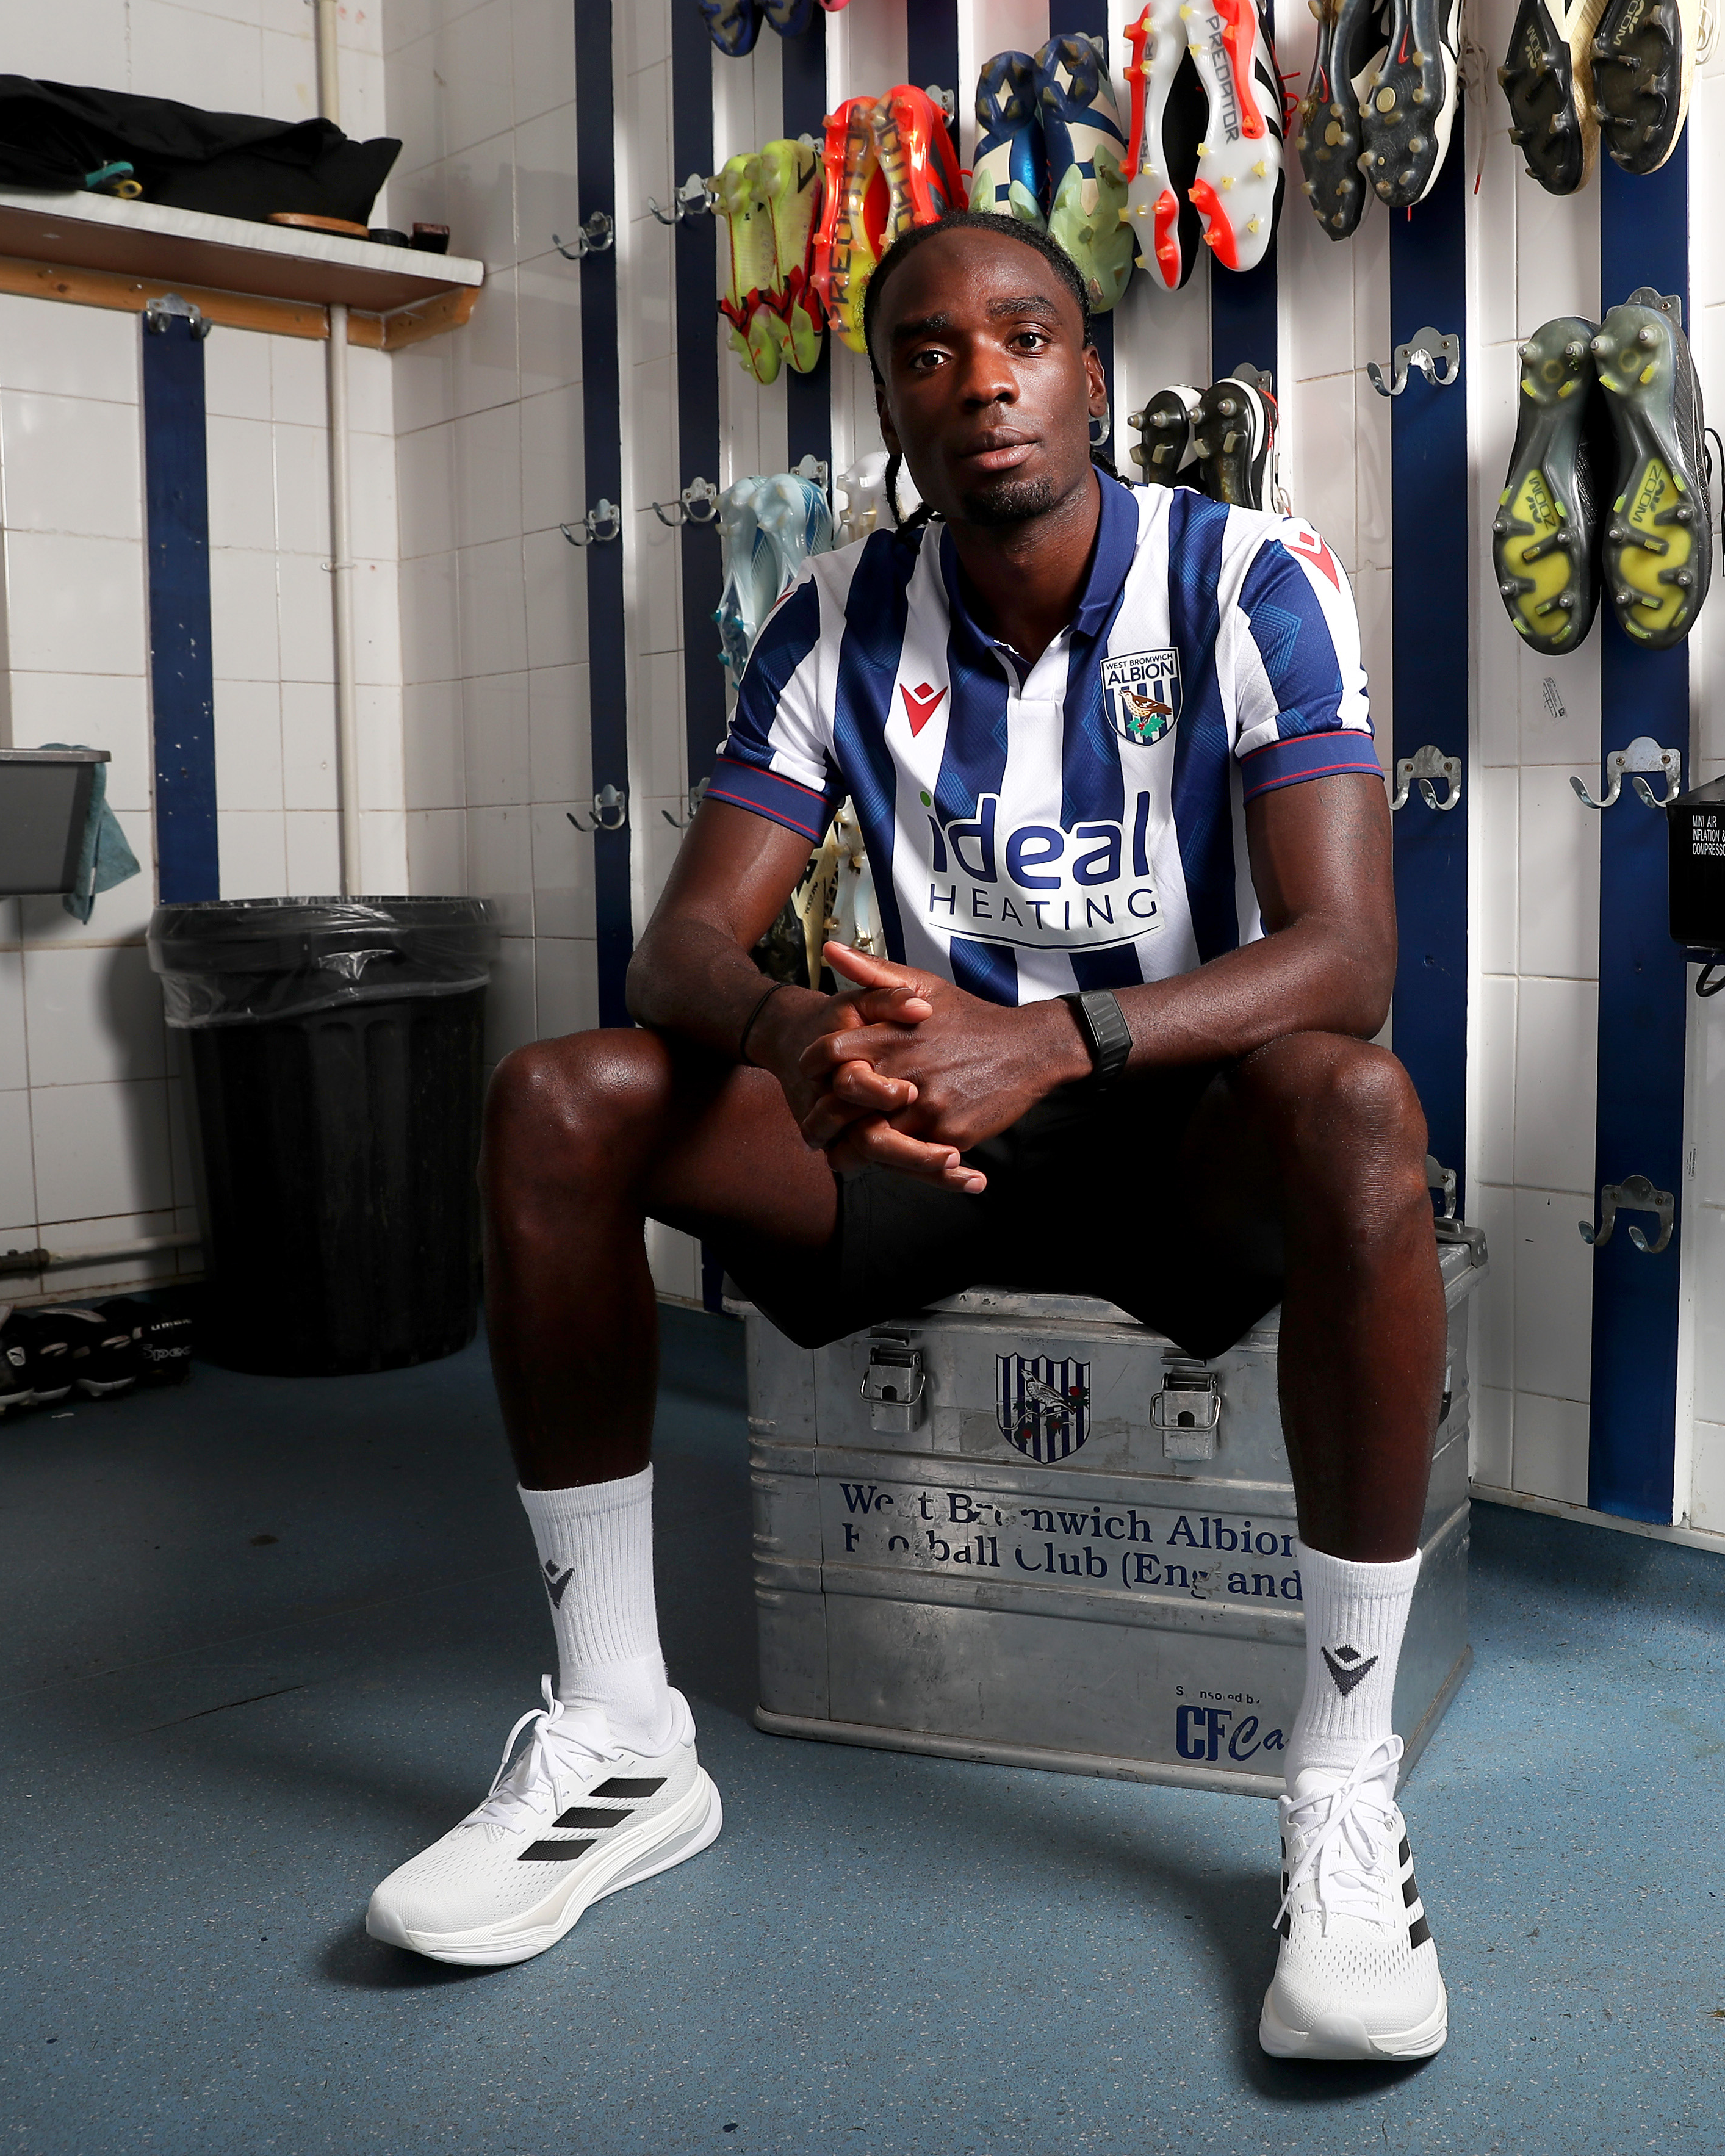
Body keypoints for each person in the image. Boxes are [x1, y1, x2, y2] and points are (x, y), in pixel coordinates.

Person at [361, 211, 1455, 2063]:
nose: (984, 378)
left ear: (1094, 372)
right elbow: (678, 949)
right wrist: (795, 1030)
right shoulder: (839, 619)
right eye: (931, 352)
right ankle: (624, 1735)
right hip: (923, 1133)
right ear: (894, 405)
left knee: (1357, 1107)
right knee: (562, 1096)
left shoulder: (1255, 578)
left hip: (1167, 1134)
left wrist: (1058, 1039)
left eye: (1024, 335)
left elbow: (1347, 961)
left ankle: (1343, 1791)